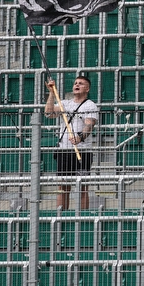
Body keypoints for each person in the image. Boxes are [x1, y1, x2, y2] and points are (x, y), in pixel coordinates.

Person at [45, 74, 98, 210]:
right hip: (64, 150)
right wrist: (51, 93)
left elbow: (89, 124)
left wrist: (80, 137)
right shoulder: (65, 103)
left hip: (82, 150)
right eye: (75, 83)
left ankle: (83, 217)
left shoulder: (90, 105)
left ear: (87, 89)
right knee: (63, 186)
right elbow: (48, 113)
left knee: (82, 186)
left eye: (81, 83)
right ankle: (61, 216)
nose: (77, 85)